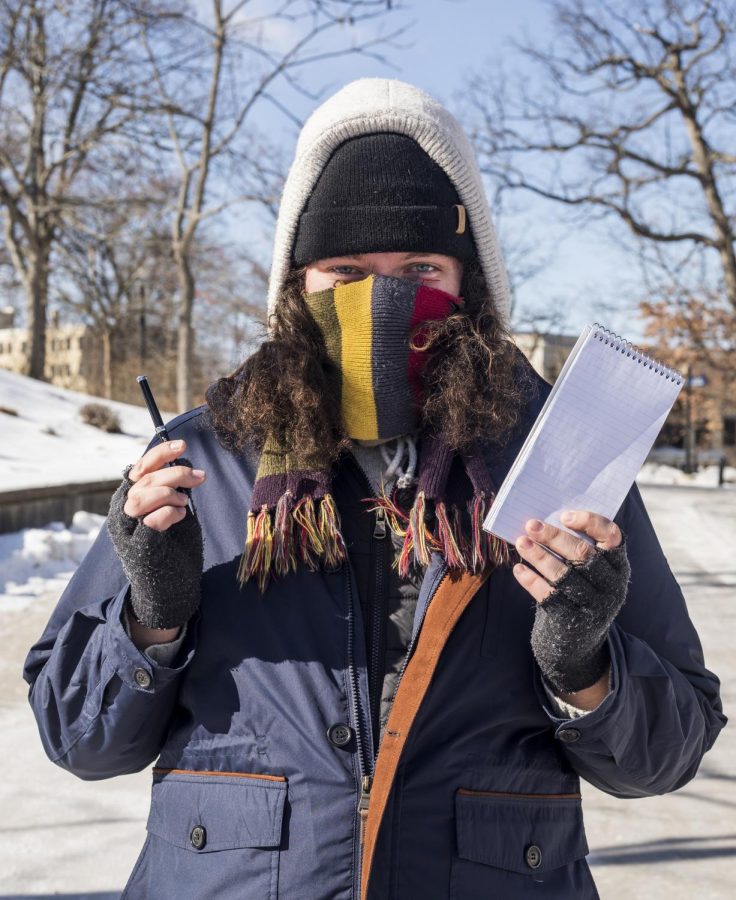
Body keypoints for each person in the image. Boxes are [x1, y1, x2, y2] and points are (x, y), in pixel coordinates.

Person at [24, 79, 725, 900]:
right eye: (347, 271)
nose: (383, 303)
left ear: (472, 284)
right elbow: (77, 736)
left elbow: (666, 754)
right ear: (297, 284)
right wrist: (152, 617)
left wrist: (584, 667)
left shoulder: (558, 456)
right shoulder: (203, 455)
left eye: (420, 267)